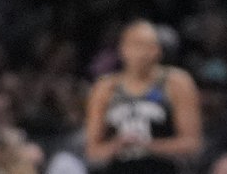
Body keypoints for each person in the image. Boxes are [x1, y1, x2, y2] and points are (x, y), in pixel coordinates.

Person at [83, 20, 203, 173]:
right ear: (122, 49)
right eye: (136, 45)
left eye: (150, 46)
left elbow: (192, 143)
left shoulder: (176, 82)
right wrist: (118, 145)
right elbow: (93, 150)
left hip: (164, 168)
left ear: (158, 50)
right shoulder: (105, 87)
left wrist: (147, 146)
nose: (143, 53)